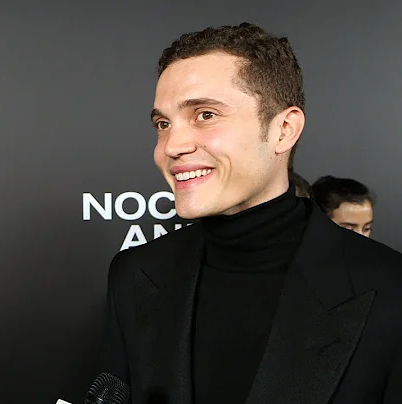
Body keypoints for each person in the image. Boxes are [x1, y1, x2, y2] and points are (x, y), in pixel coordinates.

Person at [98, 23, 402, 404]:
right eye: (163, 124)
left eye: (205, 115)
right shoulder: (134, 274)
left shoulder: (391, 289)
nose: (171, 146)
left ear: (283, 130)